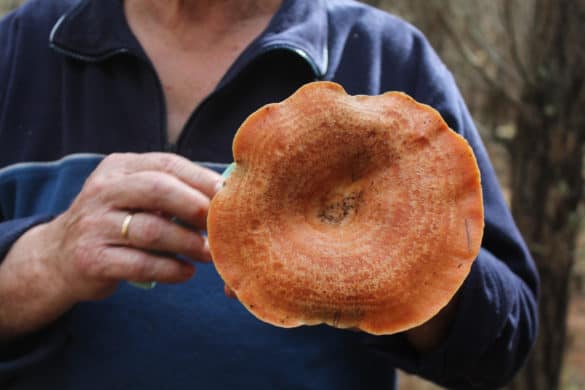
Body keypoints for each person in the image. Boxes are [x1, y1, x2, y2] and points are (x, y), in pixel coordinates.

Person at [0, 0, 538, 389]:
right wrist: (43, 261)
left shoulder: (385, 56)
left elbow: (503, 344)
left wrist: (398, 264)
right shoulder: (19, 47)